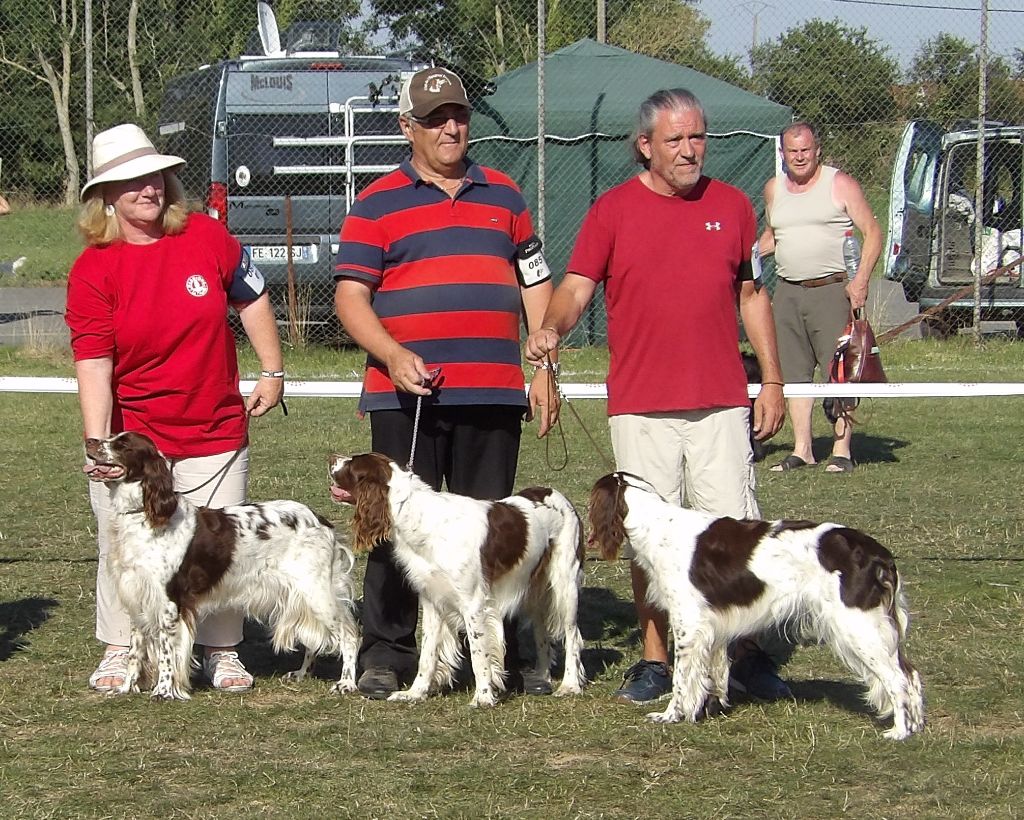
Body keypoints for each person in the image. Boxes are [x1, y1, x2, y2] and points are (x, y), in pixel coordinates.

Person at [524, 88, 789, 705]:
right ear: (645, 146)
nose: (690, 150)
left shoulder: (733, 207)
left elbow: (752, 297)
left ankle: (741, 654)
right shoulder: (612, 211)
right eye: (675, 140)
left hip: (722, 402)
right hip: (641, 406)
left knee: (734, 536)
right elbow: (576, 287)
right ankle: (656, 661)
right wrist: (551, 328)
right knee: (648, 539)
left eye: (697, 137)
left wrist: (771, 378)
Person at [333, 67, 559, 699]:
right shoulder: (376, 203)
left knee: (492, 534)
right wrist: (392, 354)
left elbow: (535, 281)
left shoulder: (506, 195)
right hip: (405, 396)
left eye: (458, 115)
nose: (451, 127)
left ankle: (499, 656)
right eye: (434, 118)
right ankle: (388, 651)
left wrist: (544, 364)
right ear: (408, 128)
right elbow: (351, 297)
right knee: (394, 528)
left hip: (493, 392)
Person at [65, 123, 285, 693]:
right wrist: (98, 446)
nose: (148, 189)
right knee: (126, 548)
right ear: (105, 197)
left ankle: (222, 650)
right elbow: (93, 361)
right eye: (131, 182)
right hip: (137, 443)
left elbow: (254, 297)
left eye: (155, 176)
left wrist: (272, 370)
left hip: (214, 427)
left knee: (219, 543)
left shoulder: (208, 238)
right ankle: (121, 647)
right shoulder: (94, 269)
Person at [759, 121, 882, 474]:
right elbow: (772, 236)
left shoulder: (838, 183)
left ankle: (841, 449)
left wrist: (860, 282)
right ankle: (803, 449)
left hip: (831, 290)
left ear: (817, 151)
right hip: (788, 292)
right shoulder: (774, 190)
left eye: (805, 150)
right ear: (783, 154)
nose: (799, 157)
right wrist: (745, 256)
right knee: (794, 373)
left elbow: (872, 232)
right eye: (792, 151)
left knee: (839, 371)